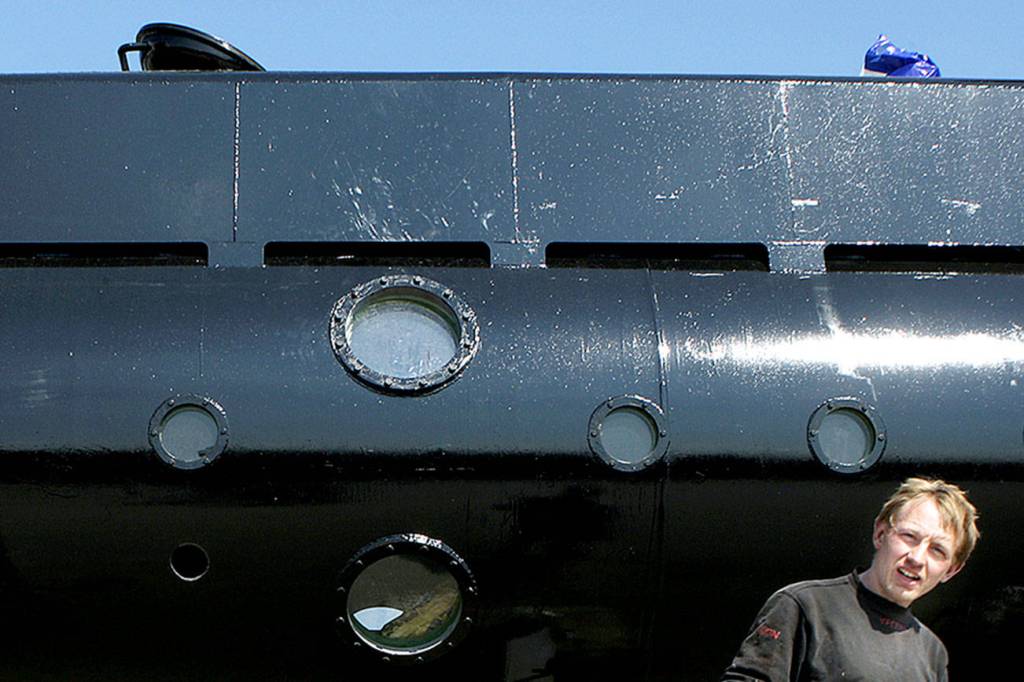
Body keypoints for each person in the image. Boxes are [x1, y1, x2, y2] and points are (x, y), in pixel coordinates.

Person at [721, 478, 979, 681]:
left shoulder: (933, 653)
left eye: (937, 550)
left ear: (951, 570)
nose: (917, 558)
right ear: (880, 533)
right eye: (909, 537)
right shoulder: (804, 606)